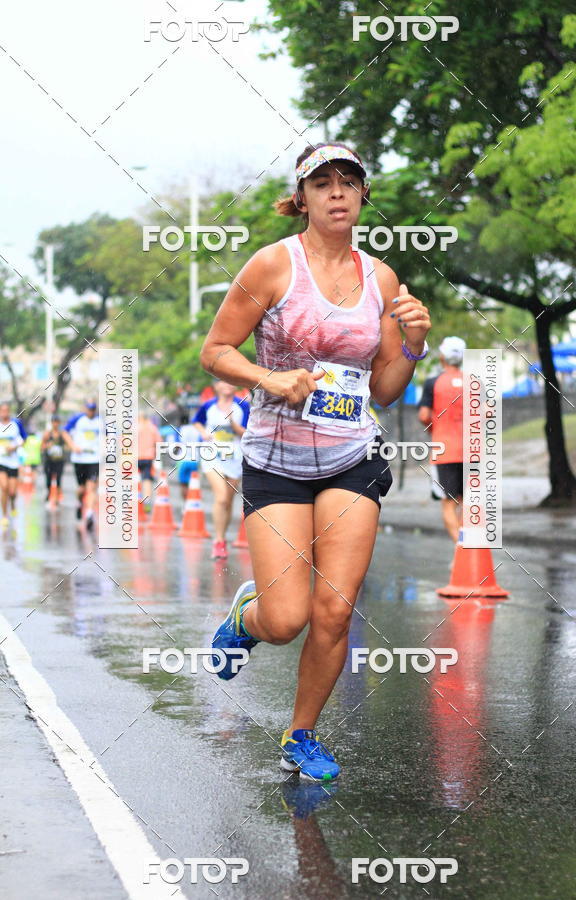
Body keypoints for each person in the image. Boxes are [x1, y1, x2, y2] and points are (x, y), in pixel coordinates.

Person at [200, 142, 431, 781]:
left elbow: (384, 389)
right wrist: (267, 378)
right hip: (275, 460)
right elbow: (215, 350)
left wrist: (414, 344)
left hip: (350, 456)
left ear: (361, 196)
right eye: (322, 182)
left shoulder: (380, 278)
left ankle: (301, 735)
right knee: (286, 617)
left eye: (348, 182)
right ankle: (245, 620)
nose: (336, 192)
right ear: (300, 198)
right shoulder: (273, 266)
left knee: (333, 610)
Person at [193, 380, 249, 559]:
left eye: (230, 382)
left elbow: (248, 432)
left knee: (228, 501)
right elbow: (197, 421)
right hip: (212, 456)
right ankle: (217, 541)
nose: (227, 385)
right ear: (215, 386)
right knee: (222, 497)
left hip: (235, 458)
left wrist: (233, 425)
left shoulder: (244, 406)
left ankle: (222, 539)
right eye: (222, 382)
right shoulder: (208, 406)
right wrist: (203, 432)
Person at [417, 336, 466, 543]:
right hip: (471, 451)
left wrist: (433, 429)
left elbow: (423, 416)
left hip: (444, 451)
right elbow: (487, 412)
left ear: (442, 357)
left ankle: (461, 548)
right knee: (465, 502)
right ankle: (466, 548)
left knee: (448, 502)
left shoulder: (433, 383)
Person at [63, 400, 100, 529]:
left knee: (91, 488)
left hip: (94, 459)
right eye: (89, 409)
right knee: (82, 489)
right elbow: (65, 432)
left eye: (93, 409)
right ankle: (79, 504)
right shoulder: (77, 419)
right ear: (85, 408)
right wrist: (73, 446)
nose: (91, 411)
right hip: (79, 460)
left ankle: (89, 514)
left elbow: (111, 435)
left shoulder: (100, 421)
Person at [0, 402, 26, 526]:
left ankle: (13, 504)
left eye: (6, 410)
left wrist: (14, 447)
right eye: (2, 410)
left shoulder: (16, 424)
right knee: (4, 487)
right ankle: (4, 515)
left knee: (13, 492)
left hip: (13, 462)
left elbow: (24, 440)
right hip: (1, 462)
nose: (4, 413)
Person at [41, 415, 67, 505]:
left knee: (58, 479)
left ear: (59, 423)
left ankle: (57, 498)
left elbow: (69, 443)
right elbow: (42, 446)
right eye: (54, 422)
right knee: (49, 479)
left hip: (59, 460)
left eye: (57, 422)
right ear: (51, 423)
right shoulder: (47, 434)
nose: (55, 424)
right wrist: (47, 445)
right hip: (49, 460)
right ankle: (49, 493)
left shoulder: (62, 434)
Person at [138, 410, 161, 509]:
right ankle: (147, 501)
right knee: (147, 479)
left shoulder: (133, 428)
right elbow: (159, 442)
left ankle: (135, 499)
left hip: (135, 457)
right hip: (148, 457)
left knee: (134, 479)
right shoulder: (152, 428)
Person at [176, 413, 203, 500]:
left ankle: (185, 504)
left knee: (183, 484)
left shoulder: (180, 430)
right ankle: (193, 502)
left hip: (182, 460)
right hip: (195, 460)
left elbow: (176, 445)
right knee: (194, 484)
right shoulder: (197, 430)